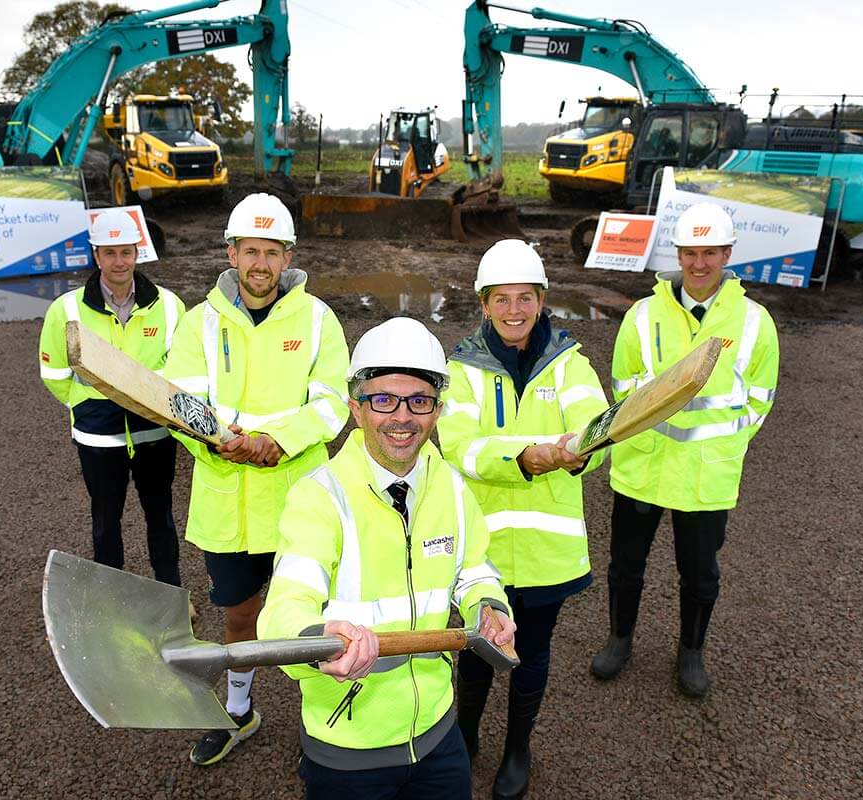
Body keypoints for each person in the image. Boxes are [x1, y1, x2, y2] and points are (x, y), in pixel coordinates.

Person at [259, 317, 517, 800]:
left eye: (419, 401)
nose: (402, 417)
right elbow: (282, 612)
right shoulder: (319, 499)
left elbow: (475, 568)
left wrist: (489, 606)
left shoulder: (453, 488)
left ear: (437, 410)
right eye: (383, 400)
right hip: (348, 747)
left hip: (439, 735)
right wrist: (319, 639)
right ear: (356, 409)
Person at [163, 192, 350, 765]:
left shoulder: (318, 320)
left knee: (310, 620)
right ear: (231, 253)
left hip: (301, 502)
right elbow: (181, 405)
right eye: (251, 251)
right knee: (240, 617)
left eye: (272, 252)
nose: (261, 264)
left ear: (288, 255)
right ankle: (240, 713)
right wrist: (224, 443)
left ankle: (324, 724)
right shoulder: (199, 324)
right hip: (231, 504)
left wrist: (276, 442)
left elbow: (333, 402)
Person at [437, 239, 610, 800]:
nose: (514, 310)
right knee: (477, 651)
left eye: (526, 298)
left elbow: (597, 434)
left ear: (542, 300)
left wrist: (581, 450)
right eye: (502, 299)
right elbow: (460, 446)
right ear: (484, 304)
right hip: (478, 550)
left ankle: (518, 746)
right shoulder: (460, 367)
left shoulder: (571, 363)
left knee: (531, 655)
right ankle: (465, 738)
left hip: (546, 553)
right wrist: (532, 455)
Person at [591, 202, 779, 697]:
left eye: (710, 253)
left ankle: (691, 653)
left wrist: (726, 443)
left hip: (705, 476)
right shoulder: (642, 314)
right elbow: (622, 384)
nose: (699, 264)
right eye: (691, 253)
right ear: (678, 253)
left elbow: (760, 398)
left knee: (699, 574)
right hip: (643, 468)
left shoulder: (755, 322)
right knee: (625, 565)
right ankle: (620, 640)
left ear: (727, 253)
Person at [38, 208, 186, 587]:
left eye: (126, 252)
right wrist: (85, 404)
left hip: (155, 433)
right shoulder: (66, 309)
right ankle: (111, 600)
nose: (119, 261)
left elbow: (184, 369)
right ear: (96, 255)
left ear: (138, 253)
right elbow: (54, 373)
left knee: (161, 516)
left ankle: (171, 598)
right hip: (98, 437)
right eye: (110, 253)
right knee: (105, 520)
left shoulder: (169, 306)